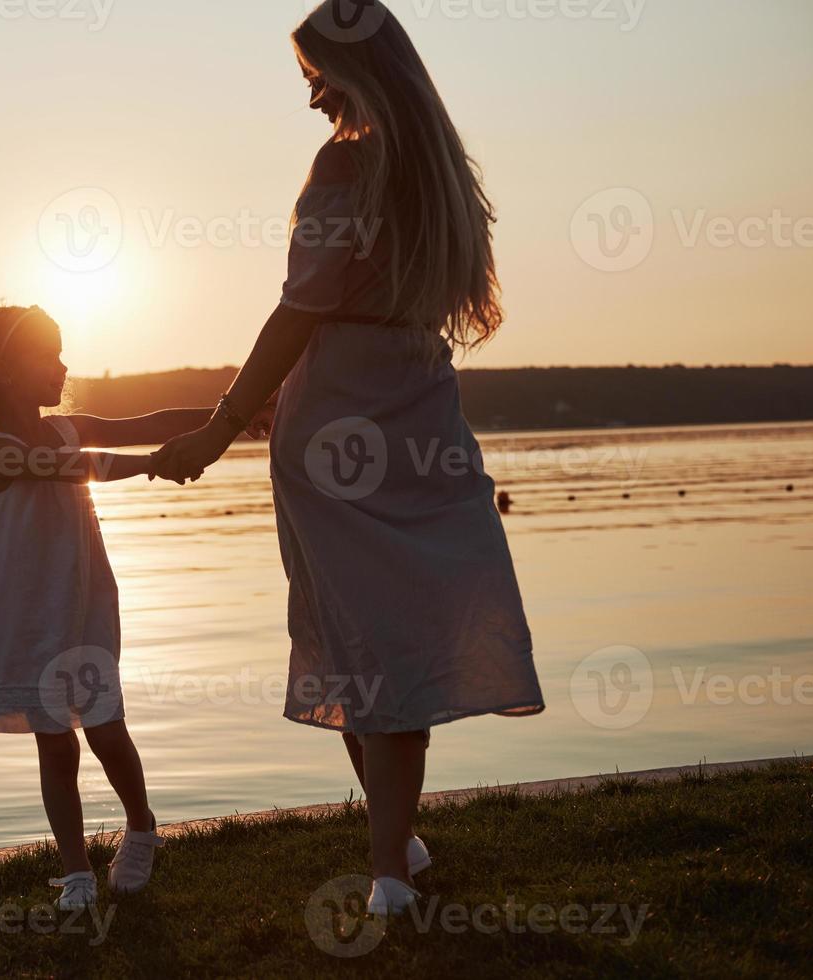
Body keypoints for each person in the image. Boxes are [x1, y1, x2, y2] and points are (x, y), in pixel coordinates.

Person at [154, 0, 545, 917]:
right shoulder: (442, 173)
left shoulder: (346, 166)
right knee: (380, 635)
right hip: (417, 403)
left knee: (361, 637)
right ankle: (393, 840)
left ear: (359, 72)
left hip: (340, 416)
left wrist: (218, 427)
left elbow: (299, 310)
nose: (311, 100)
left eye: (315, 78)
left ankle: (388, 876)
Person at [0, 303, 267, 910]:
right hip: (25, 615)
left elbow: (147, 419)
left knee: (106, 725)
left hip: (81, 604)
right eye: (47, 355)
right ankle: (76, 873)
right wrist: (156, 464)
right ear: (4, 371)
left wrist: (233, 419)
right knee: (54, 740)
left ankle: (141, 825)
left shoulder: (71, 425)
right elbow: (72, 468)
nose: (62, 365)